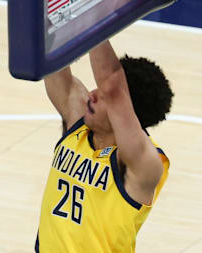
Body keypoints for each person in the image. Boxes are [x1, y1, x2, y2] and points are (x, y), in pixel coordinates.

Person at [36, 40, 173, 252]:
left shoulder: (143, 164)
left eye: (102, 96)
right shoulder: (77, 122)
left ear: (125, 114)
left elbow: (113, 88)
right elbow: (50, 53)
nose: (92, 94)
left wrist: (93, 19)